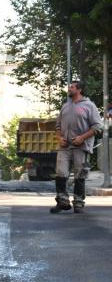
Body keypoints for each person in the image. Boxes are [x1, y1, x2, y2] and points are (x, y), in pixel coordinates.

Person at [51, 81, 102, 214]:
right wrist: (59, 138)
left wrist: (82, 138)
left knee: (80, 175)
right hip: (64, 147)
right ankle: (62, 201)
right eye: (69, 87)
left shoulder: (89, 106)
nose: (69, 89)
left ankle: (78, 203)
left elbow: (97, 127)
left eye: (72, 87)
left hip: (81, 146)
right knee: (60, 173)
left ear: (79, 90)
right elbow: (57, 126)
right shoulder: (65, 107)